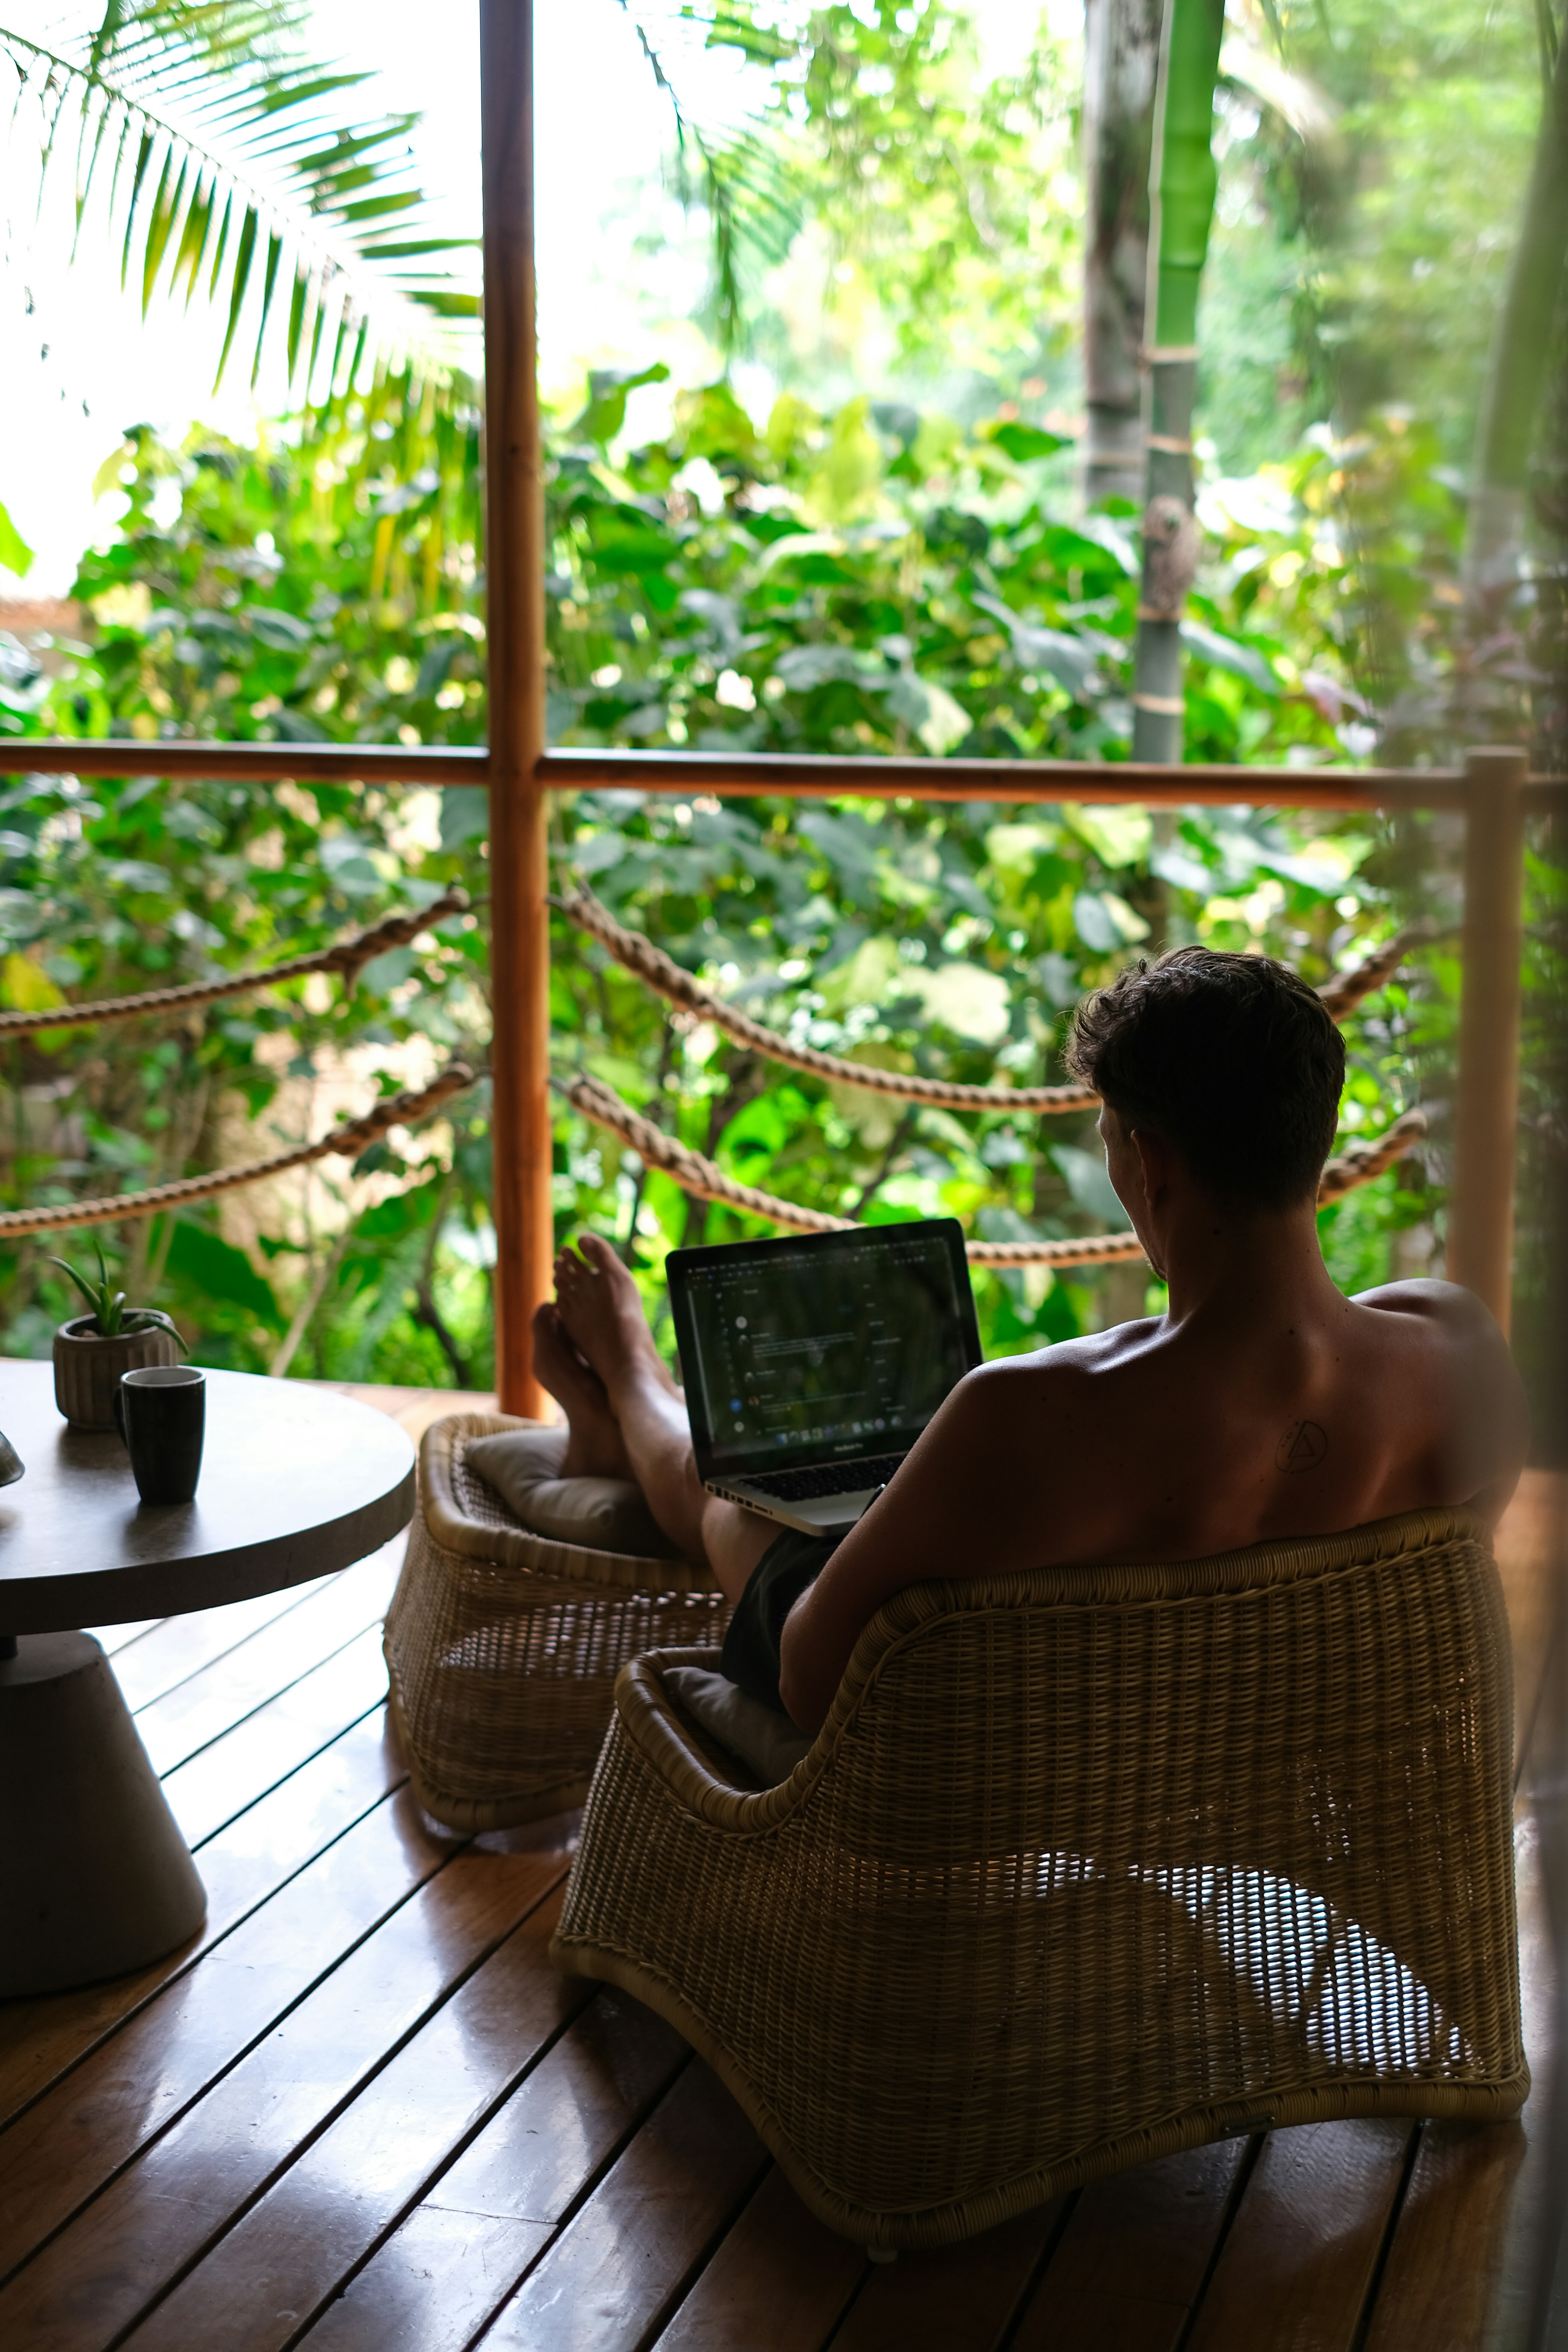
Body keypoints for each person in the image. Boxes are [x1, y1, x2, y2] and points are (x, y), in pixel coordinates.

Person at [536, 946, 1529, 1736]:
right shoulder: (1458, 1353)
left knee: (735, 1501)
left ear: (1150, 1162)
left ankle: (632, 1379)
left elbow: (809, 1679)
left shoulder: (1032, 1409)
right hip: (1240, 1749)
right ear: (1316, 1132)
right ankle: (642, 1410)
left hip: (1009, 1761)